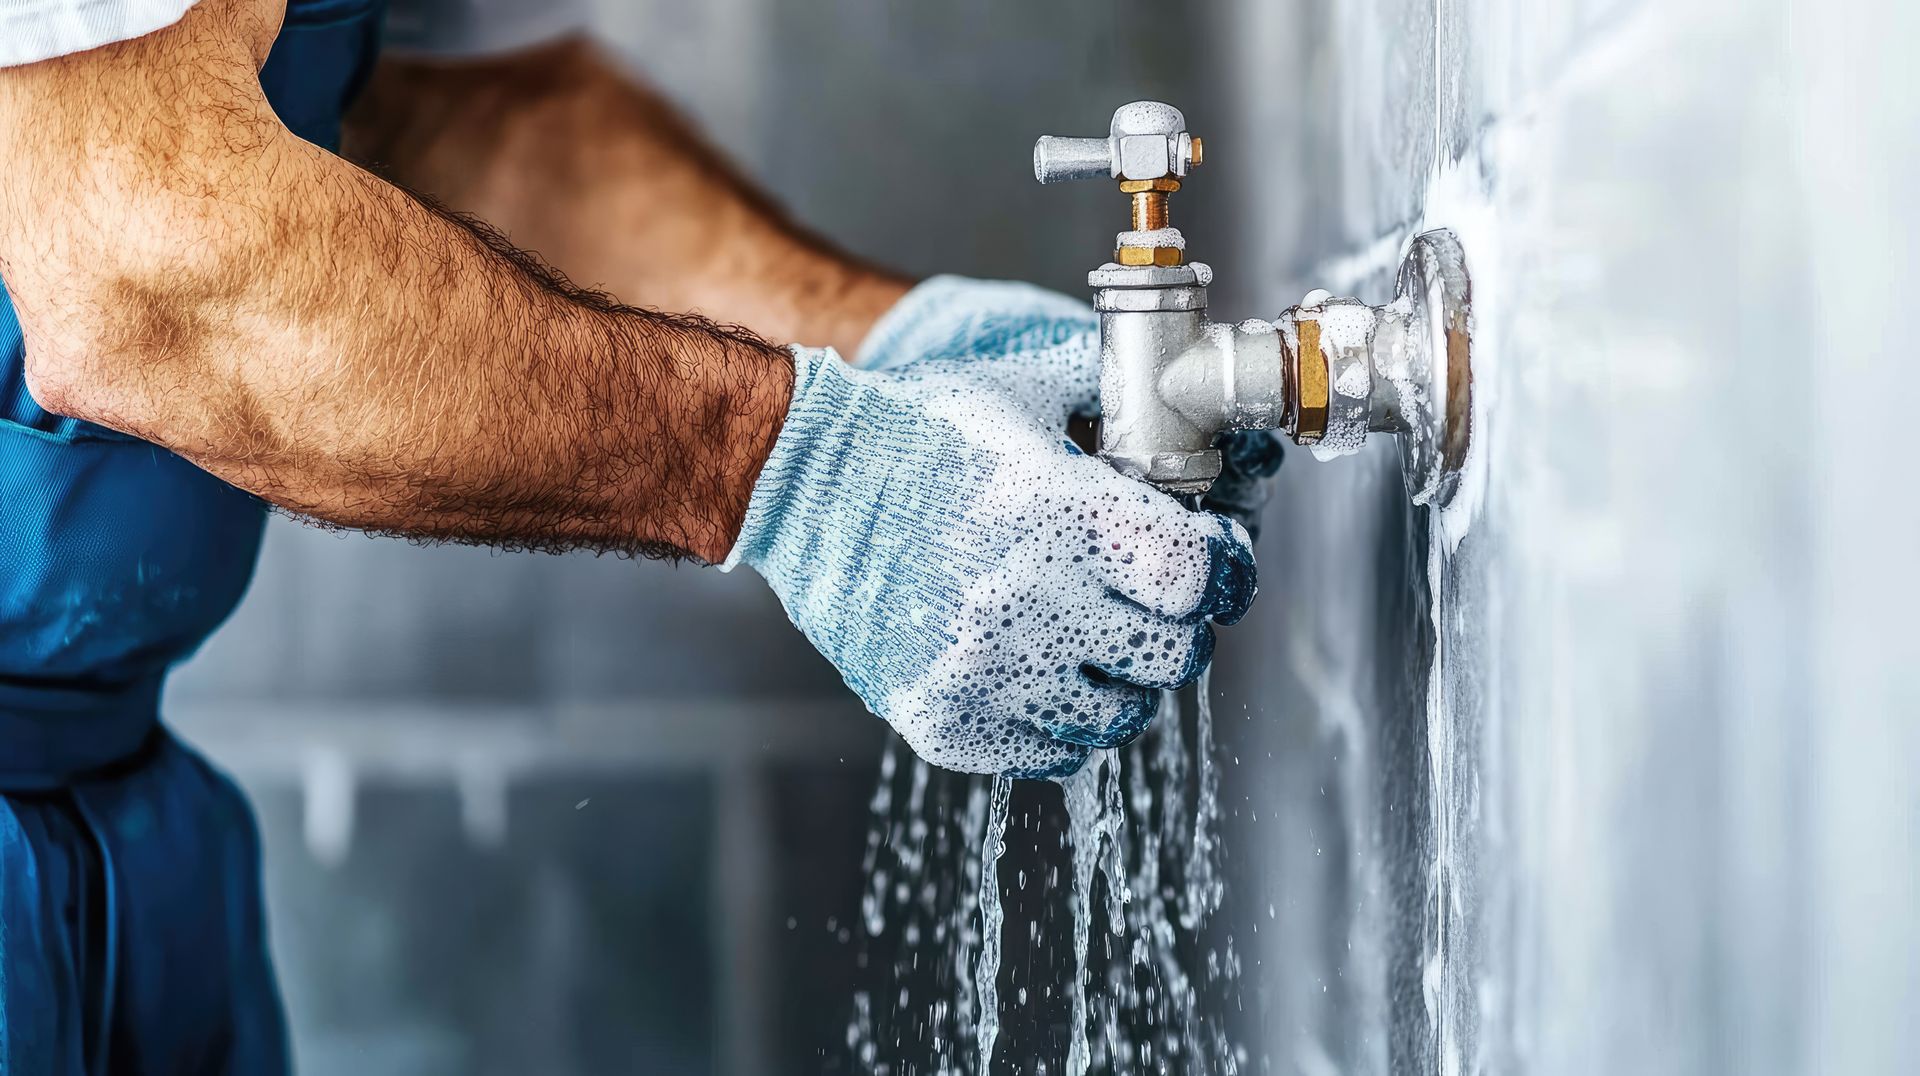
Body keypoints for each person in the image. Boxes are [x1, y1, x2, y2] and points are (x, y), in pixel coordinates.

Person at [0, 0, 1282, 1069]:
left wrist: (899, 347)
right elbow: (144, 262)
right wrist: (805, 471)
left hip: (121, 842)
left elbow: (446, 116)